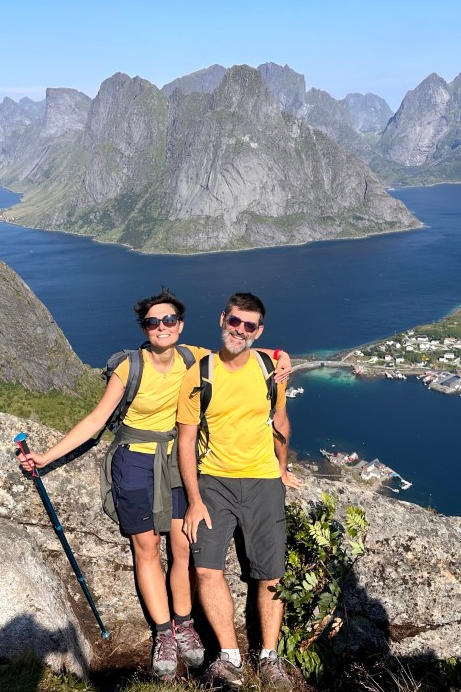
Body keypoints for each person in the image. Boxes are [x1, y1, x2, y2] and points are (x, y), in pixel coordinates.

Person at [16, 288, 291, 681]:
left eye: (169, 320)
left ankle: (184, 624)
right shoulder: (130, 367)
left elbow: (244, 350)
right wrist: (47, 456)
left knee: (183, 547)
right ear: (144, 328)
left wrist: (282, 356)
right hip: (135, 460)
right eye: (153, 322)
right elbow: (96, 420)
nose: (162, 327)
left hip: (176, 462)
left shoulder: (193, 358)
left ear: (180, 324)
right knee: (146, 547)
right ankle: (164, 633)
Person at [177, 292, 303, 692]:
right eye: (235, 321)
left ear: (259, 331)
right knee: (206, 568)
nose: (240, 330)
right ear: (222, 319)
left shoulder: (269, 369)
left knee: (271, 574)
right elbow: (186, 440)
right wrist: (194, 500)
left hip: (263, 479)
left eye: (249, 325)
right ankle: (230, 657)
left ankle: (269, 657)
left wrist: (281, 468)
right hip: (214, 481)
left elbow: (279, 419)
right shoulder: (200, 374)